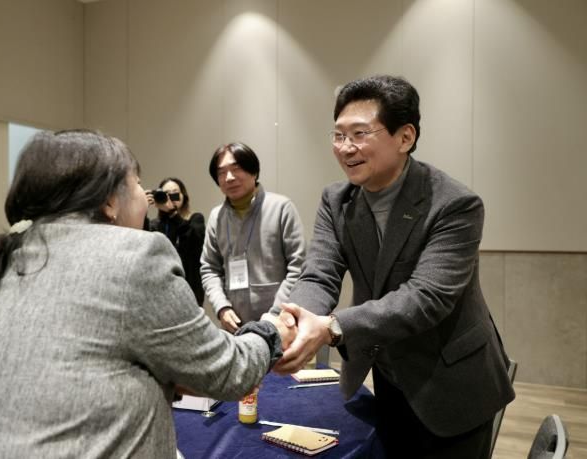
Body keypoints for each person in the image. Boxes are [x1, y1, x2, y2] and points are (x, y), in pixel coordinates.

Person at [0, 130, 295, 458]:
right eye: (138, 184)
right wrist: (271, 331)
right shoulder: (135, 255)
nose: (145, 197)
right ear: (110, 202)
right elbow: (228, 373)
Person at [273, 75, 515, 458]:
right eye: (338, 135)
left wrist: (332, 328)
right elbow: (319, 275)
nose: (345, 148)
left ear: (405, 137)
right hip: (389, 374)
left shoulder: (455, 204)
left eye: (359, 134)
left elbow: (426, 298)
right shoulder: (336, 201)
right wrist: (290, 321)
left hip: (454, 382)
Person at [200, 142, 306, 333]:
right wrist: (222, 307)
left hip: (280, 324)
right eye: (221, 172)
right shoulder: (217, 216)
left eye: (236, 169)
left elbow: (298, 266)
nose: (229, 177)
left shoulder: (281, 208)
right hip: (236, 327)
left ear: (254, 171)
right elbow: (209, 268)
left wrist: (276, 314)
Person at [146, 177, 205, 306]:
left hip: (189, 290)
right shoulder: (155, 225)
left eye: (175, 193)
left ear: (184, 196)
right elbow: (144, 247)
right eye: (166, 194)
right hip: (160, 291)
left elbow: (194, 241)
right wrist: (143, 209)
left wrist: (173, 213)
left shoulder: (195, 219)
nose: (170, 198)